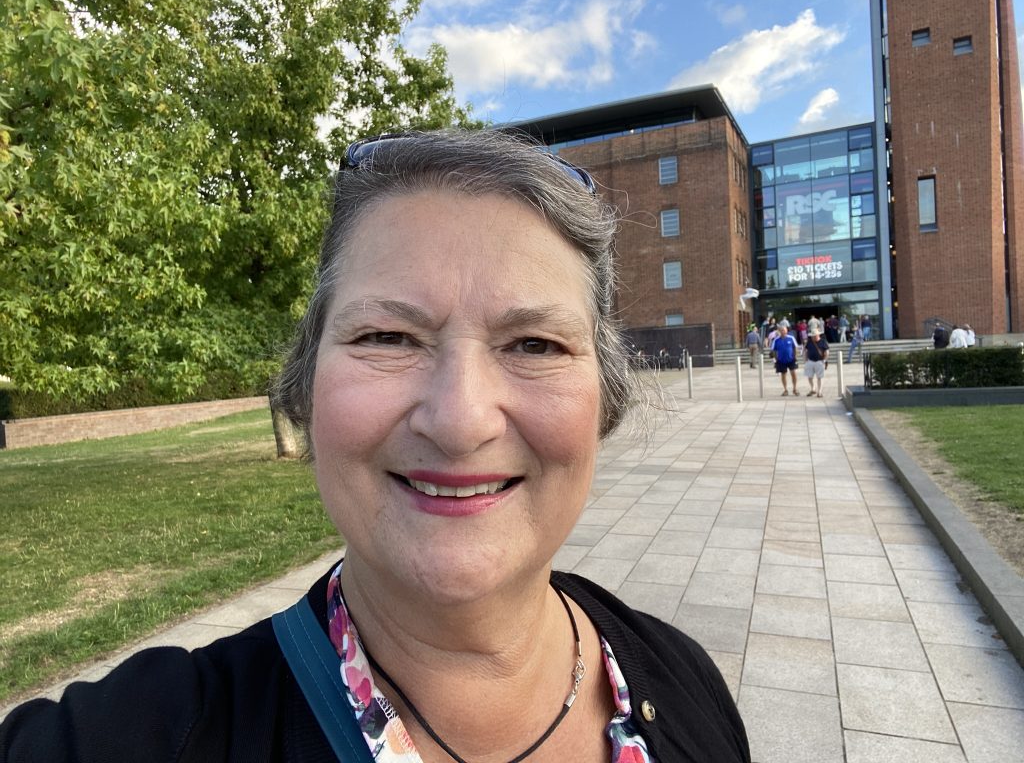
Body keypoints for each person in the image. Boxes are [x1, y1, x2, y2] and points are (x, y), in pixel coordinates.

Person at [0, 130, 750, 762]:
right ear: (305, 384)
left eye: (534, 343)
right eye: (387, 337)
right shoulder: (137, 738)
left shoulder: (685, 681)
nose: (459, 421)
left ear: (605, 395)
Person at [773, 324, 800, 395]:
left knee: (793, 374)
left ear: (787, 331)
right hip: (781, 360)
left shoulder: (791, 338)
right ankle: (785, 390)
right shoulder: (776, 340)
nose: (783, 331)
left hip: (791, 359)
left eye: (784, 330)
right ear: (779, 331)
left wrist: (795, 357)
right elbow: (774, 350)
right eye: (782, 330)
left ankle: (795, 389)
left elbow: (795, 348)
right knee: (783, 375)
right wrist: (776, 359)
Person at [802, 328, 829, 398]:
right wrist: (805, 360)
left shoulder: (823, 342)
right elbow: (805, 350)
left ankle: (819, 391)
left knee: (820, 377)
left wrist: (824, 360)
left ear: (818, 335)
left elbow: (826, 352)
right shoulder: (809, 342)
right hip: (810, 361)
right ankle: (813, 388)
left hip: (820, 361)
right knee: (809, 376)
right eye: (812, 336)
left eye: (815, 336)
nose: (813, 337)